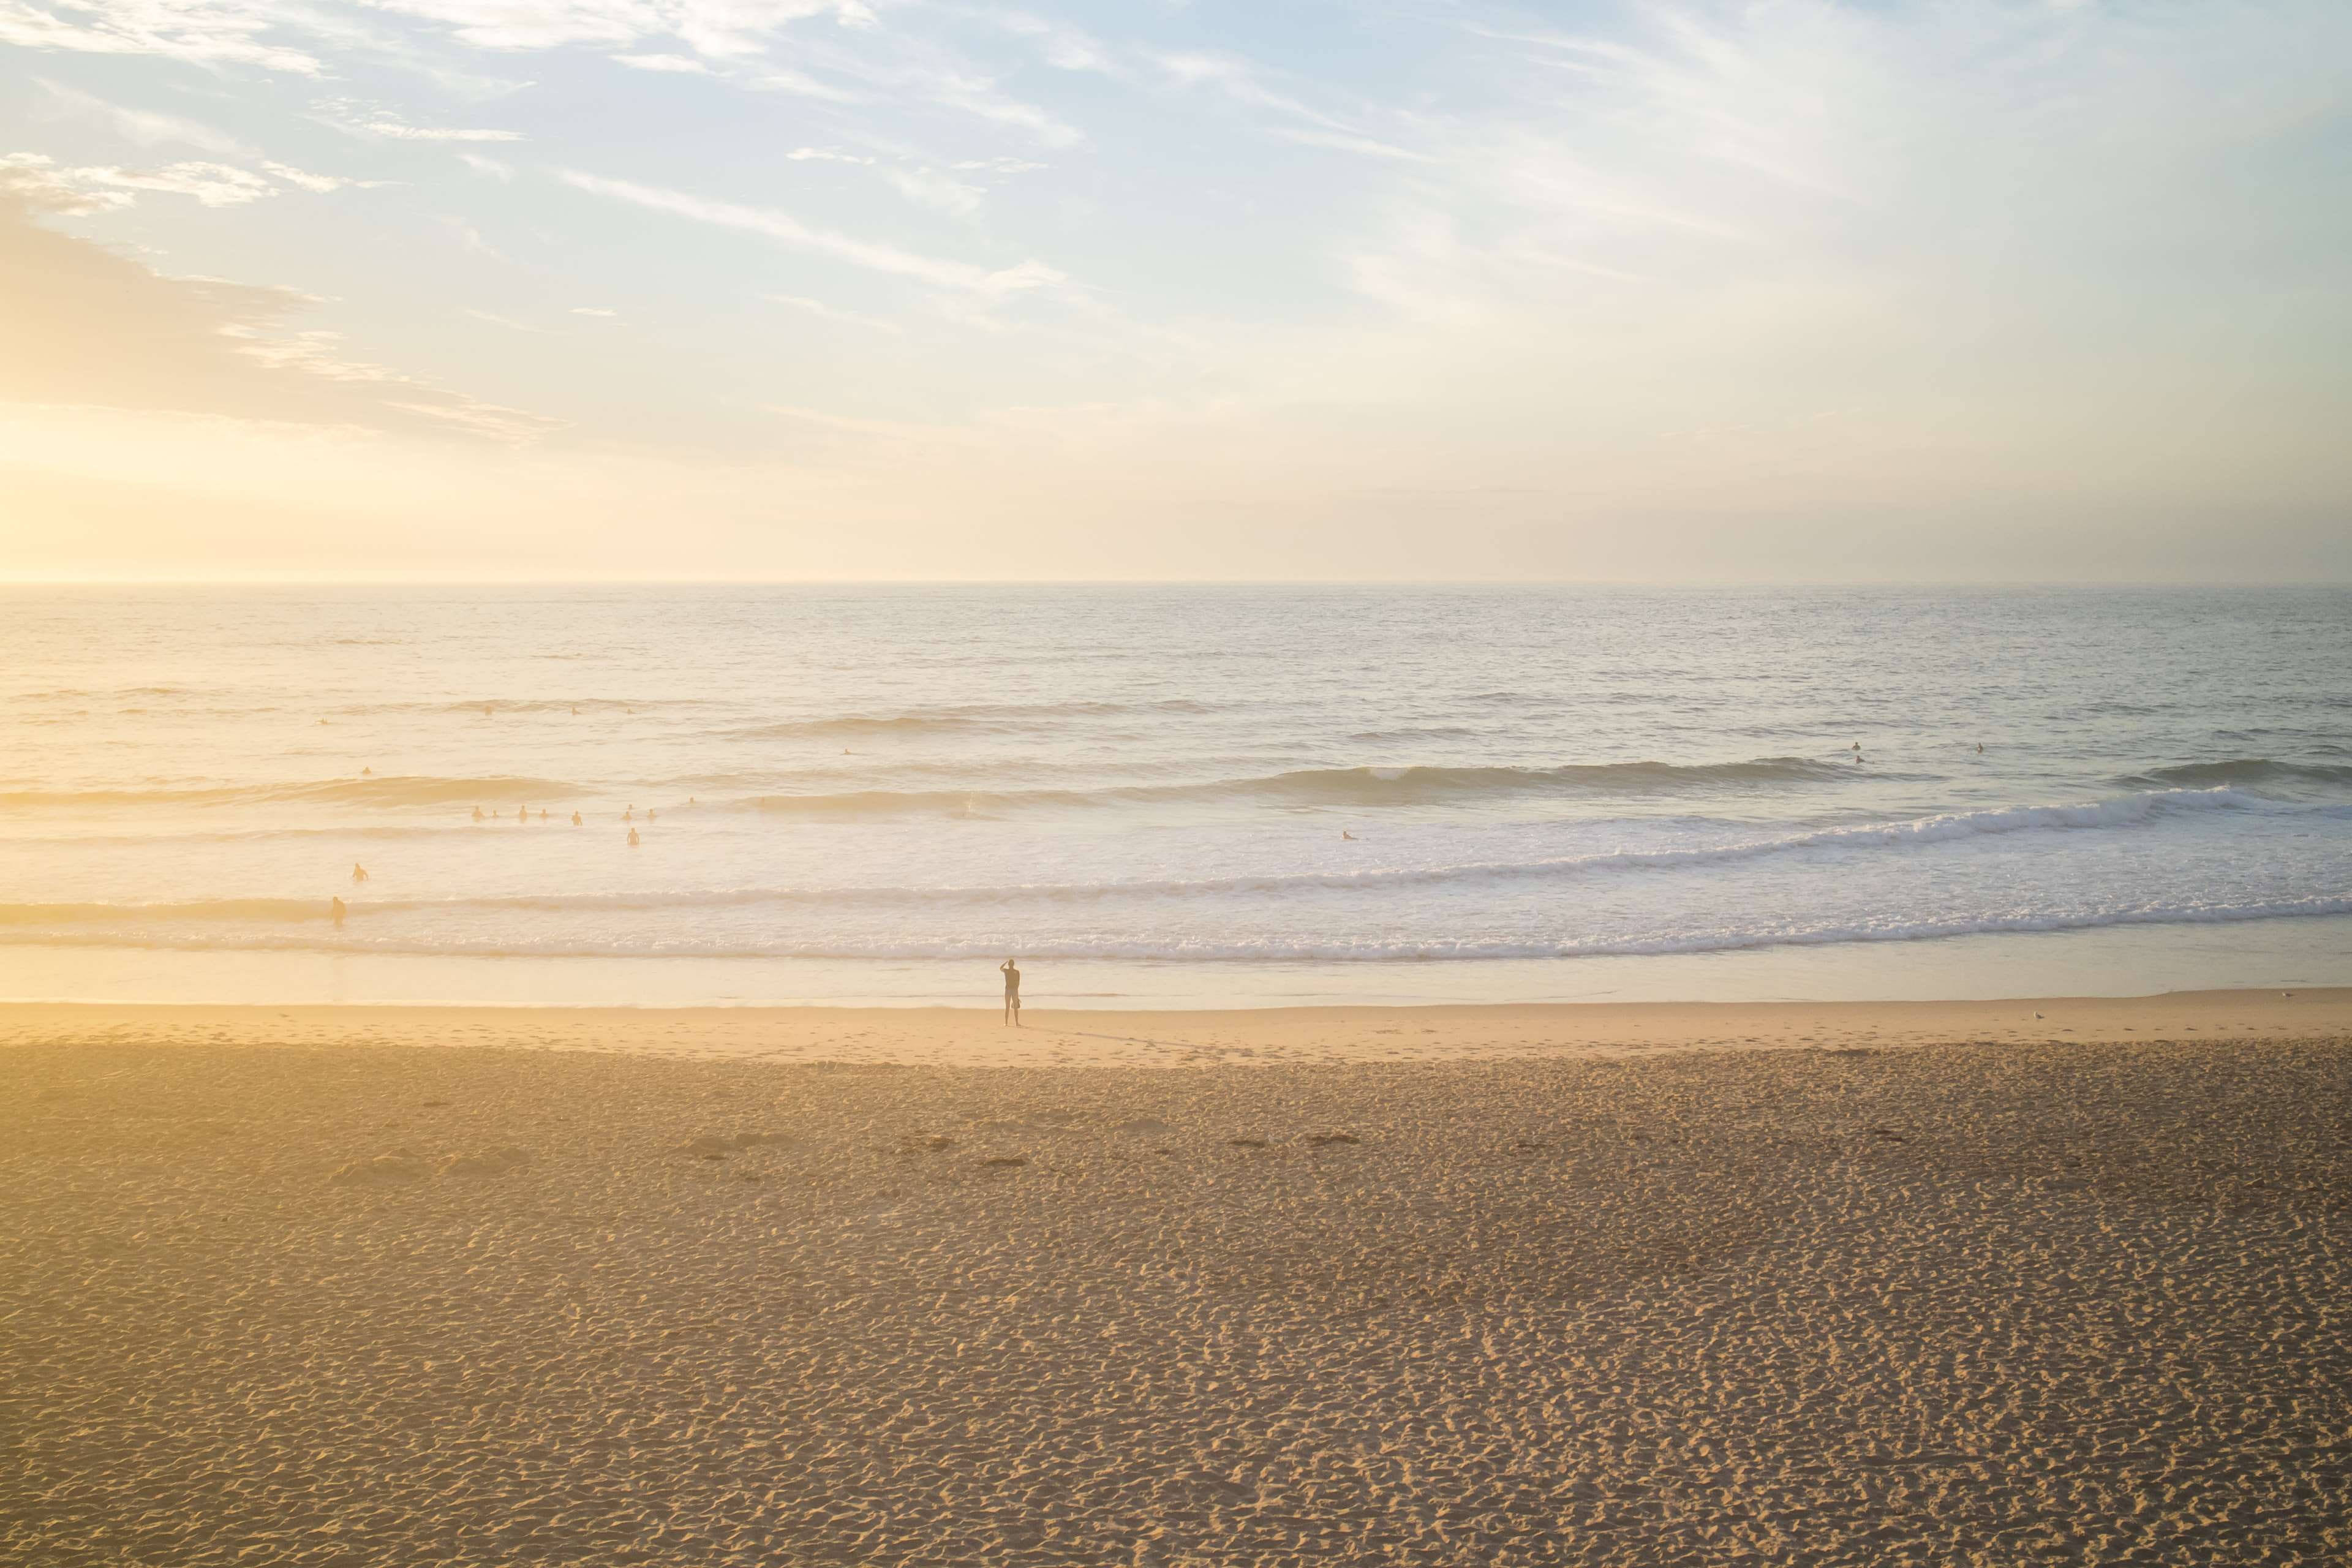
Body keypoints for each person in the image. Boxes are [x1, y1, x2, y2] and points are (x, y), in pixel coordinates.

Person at [1000, 959, 1022, 1026]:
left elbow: (1001, 968)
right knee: (1015, 1008)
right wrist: (1017, 995)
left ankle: (1006, 1023)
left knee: (1007, 1007)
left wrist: (1006, 962)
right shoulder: (1017, 972)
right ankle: (1017, 1023)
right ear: (1013, 964)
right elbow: (1018, 984)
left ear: (1009, 965)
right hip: (1014, 990)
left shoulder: (1006, 971)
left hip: (1008, 991)